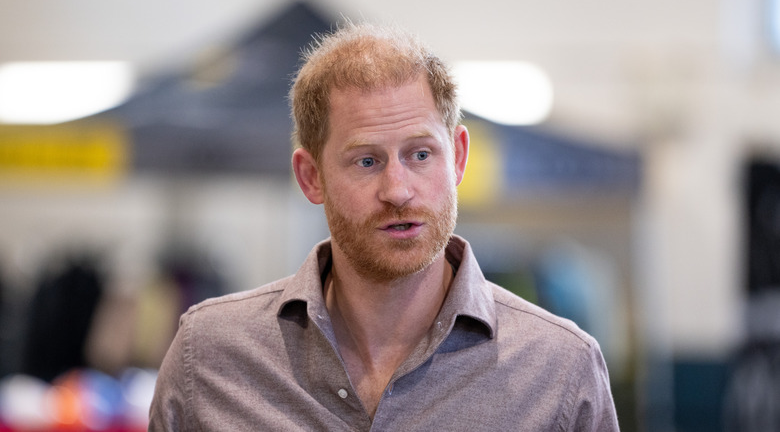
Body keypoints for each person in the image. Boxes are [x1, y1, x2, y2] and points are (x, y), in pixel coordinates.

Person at [149, 22, 619, 431]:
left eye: (420, 154)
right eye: (367, 160)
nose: (398, 189)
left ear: (456, 157)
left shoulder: (560, 369)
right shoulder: (209, 358)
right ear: (311, 177)